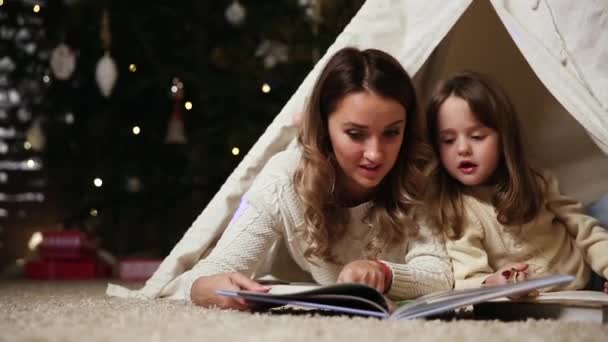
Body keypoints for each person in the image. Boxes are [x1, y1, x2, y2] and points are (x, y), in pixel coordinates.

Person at [186, 47, 453, 309]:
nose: (374, 154)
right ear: (324, 126)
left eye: (391, 133)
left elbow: (439, 275)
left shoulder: (417, 174)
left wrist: (383, 272)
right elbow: (213, 271)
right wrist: (207, 288)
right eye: (356, 134)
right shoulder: (285, 177)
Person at [424, 70, 608, 293]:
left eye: (477, 137)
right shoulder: (455, 211)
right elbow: (468, 278)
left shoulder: (537, 180)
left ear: (504, 138)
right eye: (448, 140)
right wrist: (494, 282)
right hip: (540, 302)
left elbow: (585, 230)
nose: (462, 149)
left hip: (588, 276)